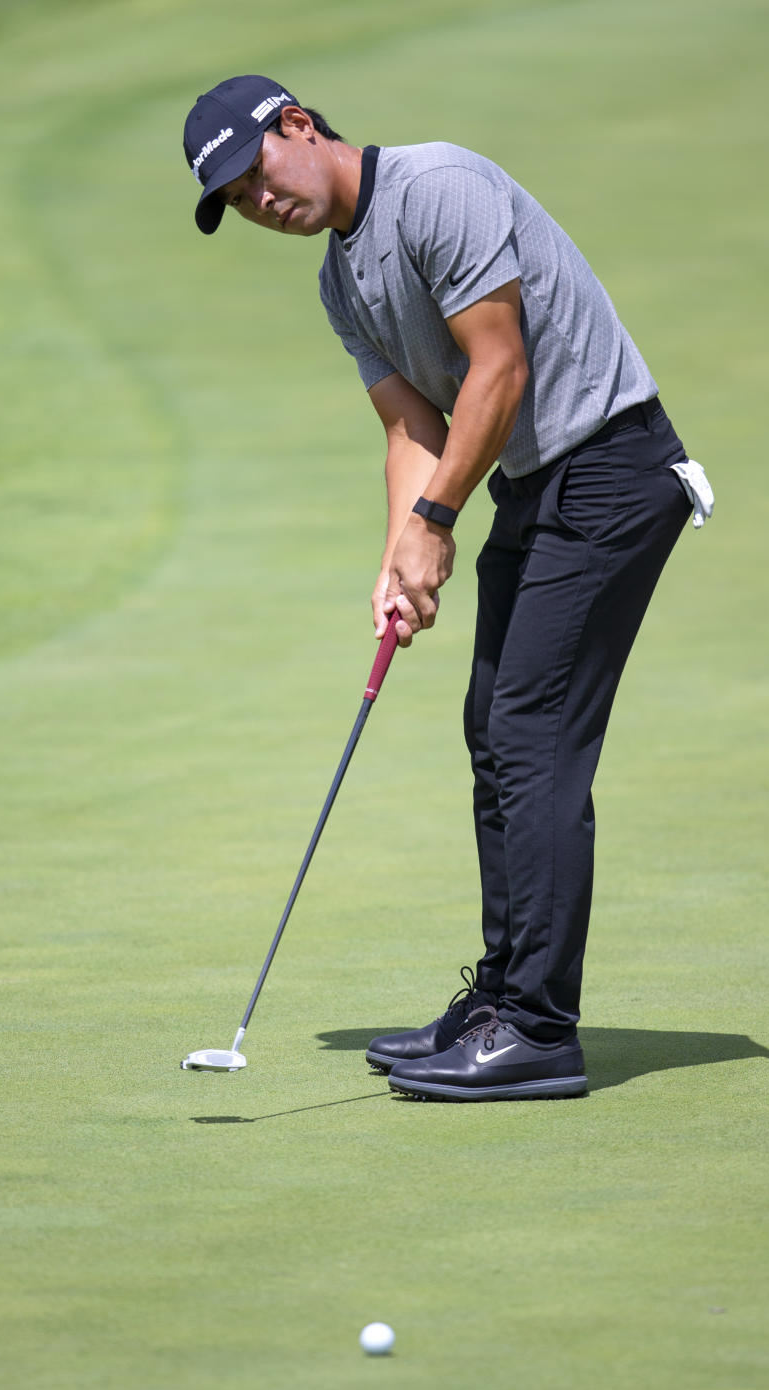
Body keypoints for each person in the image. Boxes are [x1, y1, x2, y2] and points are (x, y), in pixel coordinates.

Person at [183, 74, 713, 1102]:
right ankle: (505, 999)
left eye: (254, 177)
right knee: (494, 727)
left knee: (532, 728)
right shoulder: (342, 283)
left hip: (611, 467)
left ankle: (541, 1032)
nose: (259, 205)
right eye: (238, 203)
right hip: (531, 482)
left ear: (297, 125)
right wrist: (398, 559)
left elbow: (498, 368)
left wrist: (436, 525)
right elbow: (409, 432)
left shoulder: (437, 189)